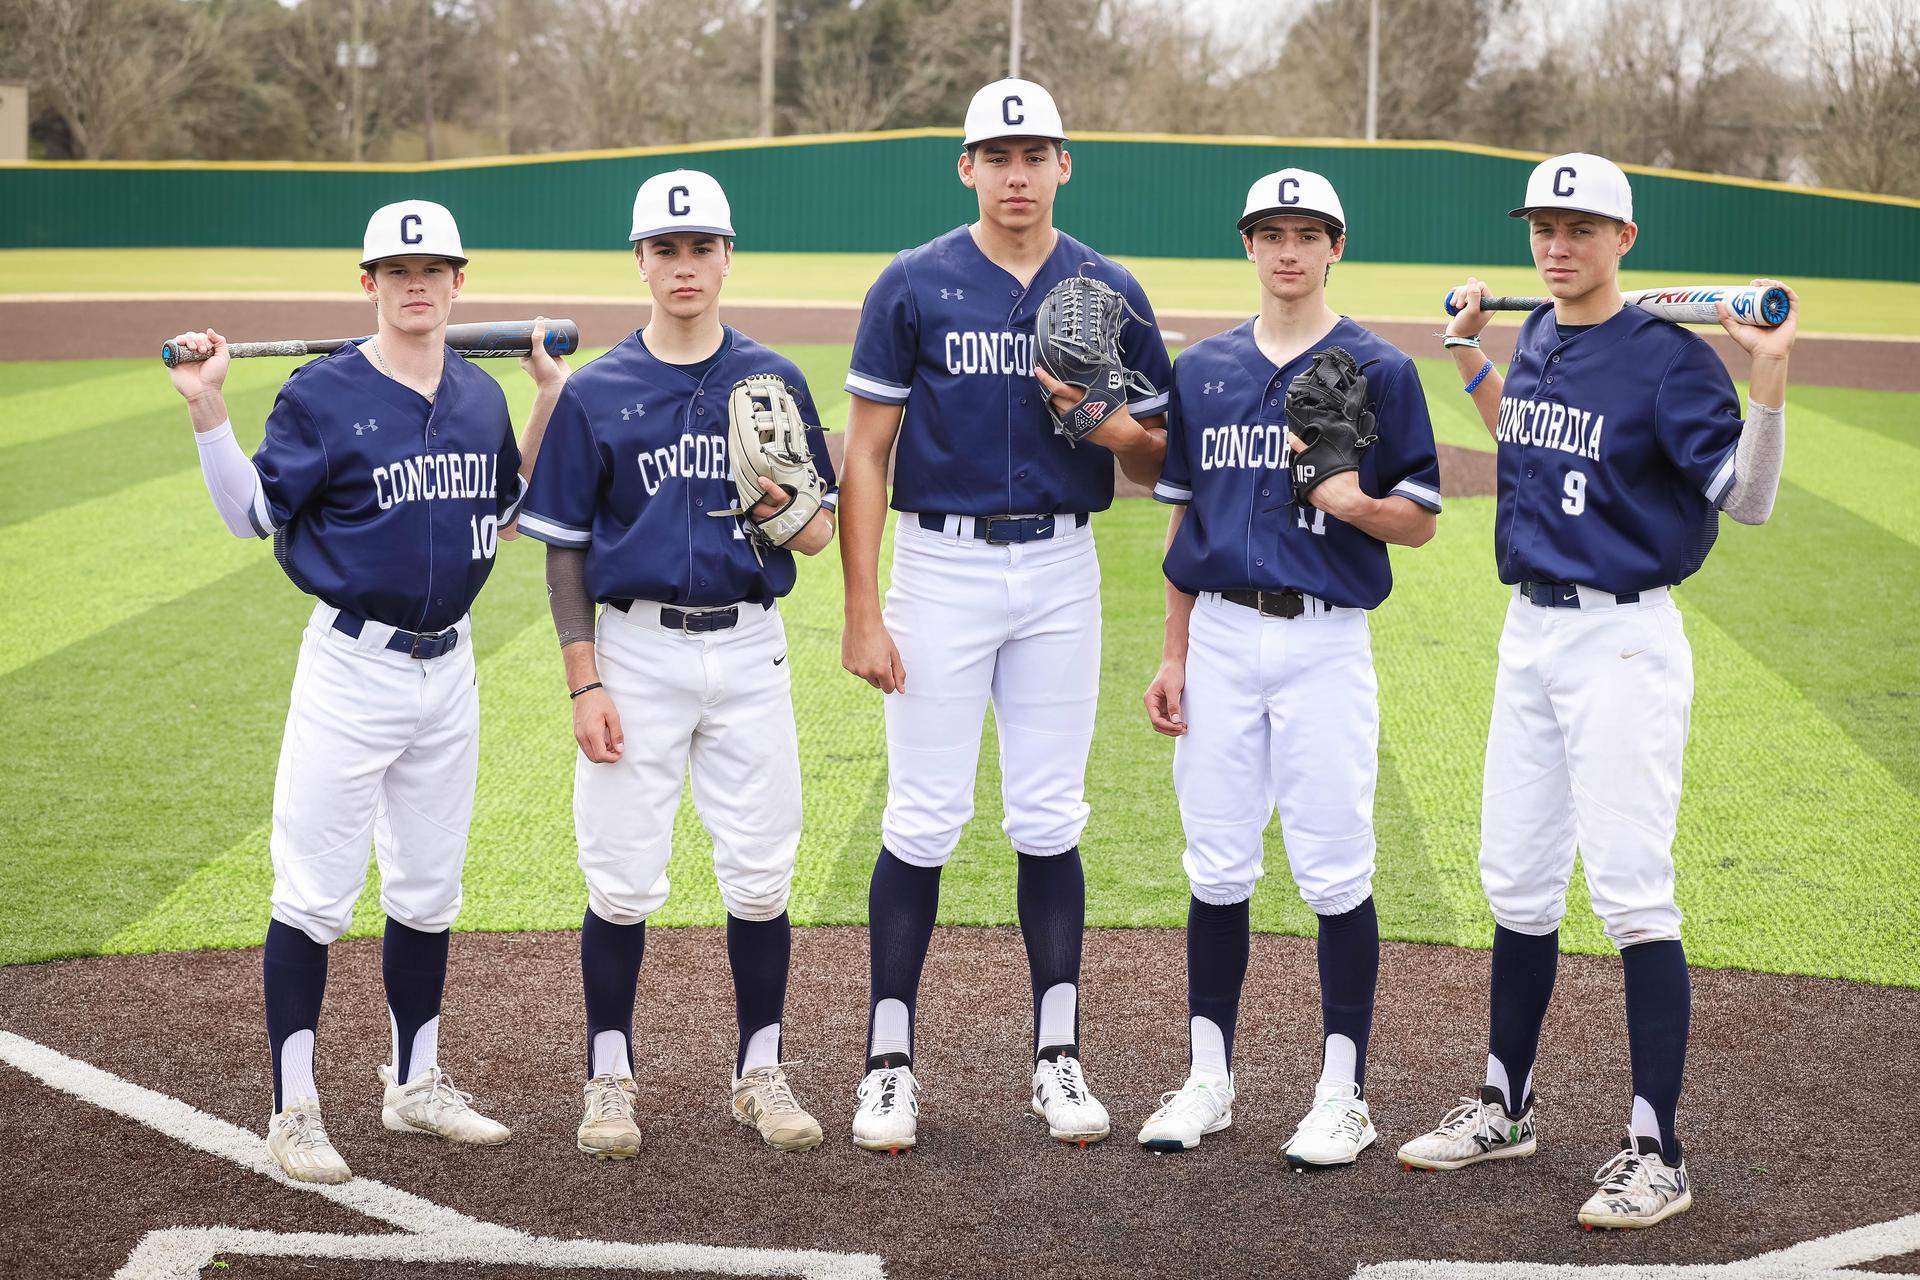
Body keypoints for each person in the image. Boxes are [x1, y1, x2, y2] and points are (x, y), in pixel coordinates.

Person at [1395, 153, 1796, 1229]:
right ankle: (1507, 1104)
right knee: (1518, 883)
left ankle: (1658, 1150)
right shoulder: (1539, 336)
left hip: (1622, 642)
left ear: (1625, 238)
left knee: (1631, 894)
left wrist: (1766, 376)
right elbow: (1529, 437)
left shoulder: (1671, 361)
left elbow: (1749, 498)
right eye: (1543, 226)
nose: (1556, 245)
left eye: (1579, 227)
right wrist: (1470, 353)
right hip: (1529, 633)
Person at [164, 200, 565, 1184]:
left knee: (429, 890)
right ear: (370, 283)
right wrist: (207, 408)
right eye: (397, 270)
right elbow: (249, 516)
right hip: (352, 669)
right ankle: (293, 1107)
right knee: (313, 895)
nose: (415, 284)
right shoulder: (321, 395)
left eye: (432, 269)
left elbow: (507, 511)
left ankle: (414, 1082)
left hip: (451, 668)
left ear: (459, 282)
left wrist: (548, 397)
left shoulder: (478, 395)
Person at [837, 78, 1173, 1152]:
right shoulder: (913, 282)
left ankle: (1057, 1054)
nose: (1017, 174)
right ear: (967, 167)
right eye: (998, 155)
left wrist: (1112, 428)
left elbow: (1163, 461)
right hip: (940, 567)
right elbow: (867, 456)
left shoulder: (1110, 289)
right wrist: (861, 607)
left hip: (1064, 568)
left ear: (1065, 163)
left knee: (1048, 816)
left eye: (1035, 155)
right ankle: (889, 1063)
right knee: (921, 818)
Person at [515, 169, 839, 1159]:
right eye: (666, 248)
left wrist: (784, 507)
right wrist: (583, 678)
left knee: (762, 875)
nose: (685, 265)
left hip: (748, 645)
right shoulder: (595, 391)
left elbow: (817, 535)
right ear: (641, 261)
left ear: (728, 257)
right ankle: (609, 1078)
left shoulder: (773, 381)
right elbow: (564, 549)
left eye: (702, 247)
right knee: (621, 880)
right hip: (635, 650)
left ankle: (760, 1071)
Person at [1131, 170, 1441, 1166]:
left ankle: (1343, 1094)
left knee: (1336, 868)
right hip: (1220, 632)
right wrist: (1174, 649)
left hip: (1324, 639)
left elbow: (1421, 520)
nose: (1289, 250)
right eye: (1272, 232)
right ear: (1249, 245)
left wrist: (1356, 504)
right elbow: (1184, 516)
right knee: (1217, 863)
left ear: (1335, 247)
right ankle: (1208, 1080)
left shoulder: (1382, 368)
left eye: (1308, 233)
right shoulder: (1204, 369)